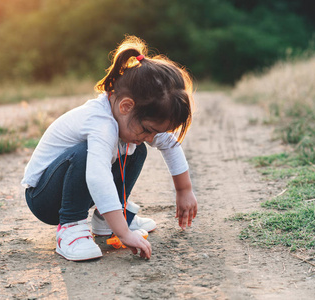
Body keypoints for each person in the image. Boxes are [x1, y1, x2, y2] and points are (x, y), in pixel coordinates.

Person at [21, 35, 197, 261]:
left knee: (137, 148)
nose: (151, 137)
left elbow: (169, 144)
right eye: (148, 129)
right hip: (44, 197)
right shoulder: (100, 123)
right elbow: (97, 177)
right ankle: (71, 227)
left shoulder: (130, 120)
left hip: (75, 190)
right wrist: (124, 234)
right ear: (126, 106)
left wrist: (184, 190)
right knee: (86, 154)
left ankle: (109, 218)